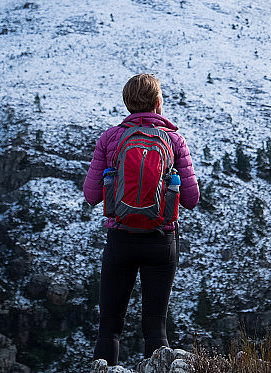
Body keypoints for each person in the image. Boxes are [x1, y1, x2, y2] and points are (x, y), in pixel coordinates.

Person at [83, 73, 200, 365]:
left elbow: (91, 195)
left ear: (127, 103)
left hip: (120, 238)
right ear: (158, 101)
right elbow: (191, 199)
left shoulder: (111, 138)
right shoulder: (173, 140)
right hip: (161, 241)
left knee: (109, 328)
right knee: (155, 329)